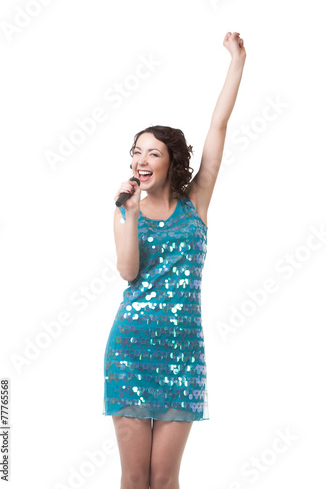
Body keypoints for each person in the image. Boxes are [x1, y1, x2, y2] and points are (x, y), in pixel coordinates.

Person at [103, 31, 246, 489]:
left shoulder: (196, 203)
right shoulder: (126, 210)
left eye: (153, 153)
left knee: (164, 479)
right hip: (130, 349)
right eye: (136, 151)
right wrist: (126, 213)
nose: (141, 160)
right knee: (134, 476)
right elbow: (128, 272)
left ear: (171, 161)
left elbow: (218, 127)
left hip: (183, 352)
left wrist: (236, 63)